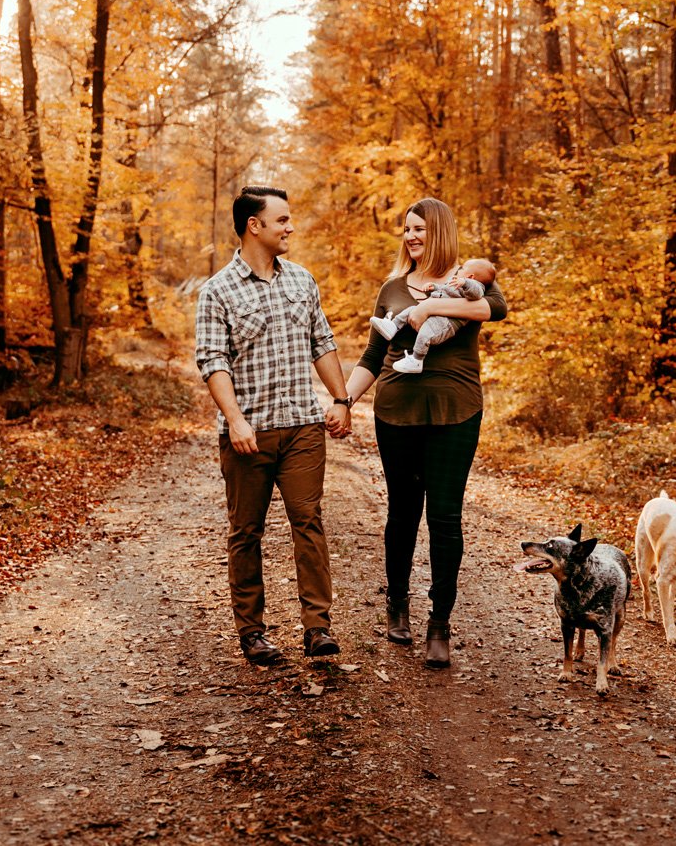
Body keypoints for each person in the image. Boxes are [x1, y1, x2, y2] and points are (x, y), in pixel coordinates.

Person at [341, 199, 507, 668]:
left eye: (420, 229)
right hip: (396, 412)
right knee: (402, 513)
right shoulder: (392, 289)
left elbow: (496, 309)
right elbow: (373, 357)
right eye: (407, 229)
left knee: (445, 520)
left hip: (456, 412)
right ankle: (397, 604)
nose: (411, 236)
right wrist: (343, 400)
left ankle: (440, 624)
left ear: (439, 232)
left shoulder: (470, 281)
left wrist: (434, 302)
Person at [194, 186, 353, 666]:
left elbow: (321, 343)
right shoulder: (217, 290)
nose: (290, 227)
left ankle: (317, 628)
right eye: (282, 219)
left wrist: (341, 399)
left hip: (303, 426)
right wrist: (235, 420)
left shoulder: (302, 280)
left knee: (308, 522)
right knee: (246, 530)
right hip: (250, 433)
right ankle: (253, 632)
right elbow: (211, 360)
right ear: (253, 226)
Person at [370, 257, 497, 374]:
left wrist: (465, 282)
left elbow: (476, 293)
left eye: (463, 268)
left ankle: (417, 359)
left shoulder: (474, 286)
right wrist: (434, 287)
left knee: (425, 334)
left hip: (445, 324)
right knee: (410, 310)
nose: (459, 269)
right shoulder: (455, 283)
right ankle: (393, 326)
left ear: (470, 276)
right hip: (436, 316)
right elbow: (445, 290)